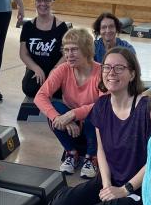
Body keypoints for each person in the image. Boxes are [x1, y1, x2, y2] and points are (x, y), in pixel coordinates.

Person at [49, 47, 151, 205]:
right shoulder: (101, 105)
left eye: (119, 68)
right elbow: (101, 150)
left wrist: (125, 190)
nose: (111, 73)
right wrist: (106, 185)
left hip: (142, 188)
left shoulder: (147, 109)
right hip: (110, 178)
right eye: (107, 67)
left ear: (132, 74)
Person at [34, 28, 103, 179]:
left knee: (96, 112)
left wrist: (72, 114)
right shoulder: (63, 69)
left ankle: (92, 157)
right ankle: (71, 153)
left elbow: (105, 104)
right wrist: (58, 117)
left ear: (86, 50)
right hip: (73, 127)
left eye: (74, 49)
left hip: (95, 127)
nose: (69, 55)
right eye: (66, 50)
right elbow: (40, 97)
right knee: (54, 108)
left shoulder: (100, 72)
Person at [19, 0, 68, 98]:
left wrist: (55, 70)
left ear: (52, 2)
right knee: (29, 88)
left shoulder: (61, 27)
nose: (43, 4)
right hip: (36, 69)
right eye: (39, 0)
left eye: (47, 1)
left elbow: (66, 54)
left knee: (59, 90)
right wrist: (36, 68)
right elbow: (23, 53)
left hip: (56, 68)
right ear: (35, 3)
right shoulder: (28, 27)